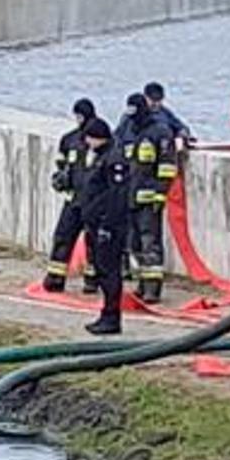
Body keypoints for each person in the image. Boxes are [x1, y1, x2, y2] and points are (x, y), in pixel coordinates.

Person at [120, 93, 178, 304]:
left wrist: (160, 194)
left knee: (150, 242)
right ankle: (143, 284)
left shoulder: (160, 133)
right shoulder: (128, 130)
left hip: (150, 199)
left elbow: (168, 166)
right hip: (130, 197)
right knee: (134, 243)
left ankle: (153, 289)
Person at [75, 118, 131, 334]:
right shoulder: (101, 157)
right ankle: (106, 314)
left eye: (89, 138)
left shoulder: (113, 159)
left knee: (110, 272)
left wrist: (107, 226)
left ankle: (112, 317)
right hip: (96, 223)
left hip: (109, 226)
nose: (87, 143)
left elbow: (117, 196)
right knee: (101, 270)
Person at [44, 98, 105, 293]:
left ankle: (92, 281)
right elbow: (62, 167)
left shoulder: (102, 139)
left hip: (94, 203)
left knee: (93, 243)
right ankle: (55, 277)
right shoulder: (69, 140)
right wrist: (60, 179)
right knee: (63, 237)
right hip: (73, 200)